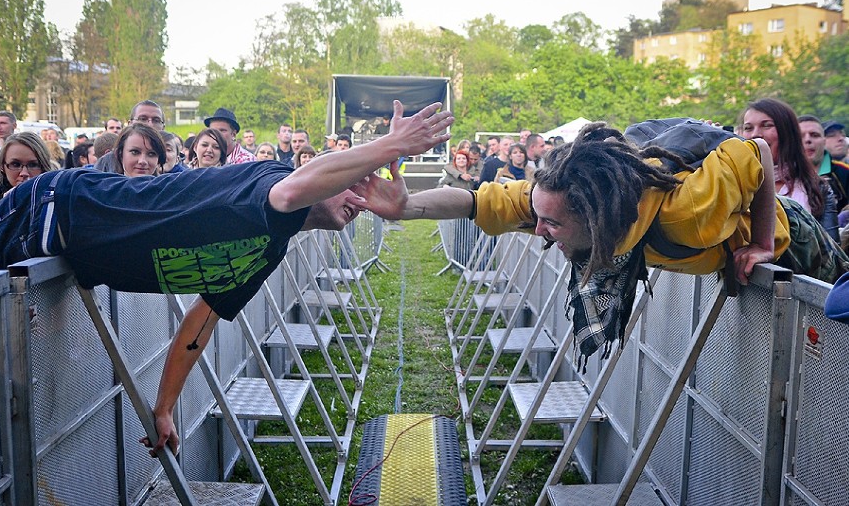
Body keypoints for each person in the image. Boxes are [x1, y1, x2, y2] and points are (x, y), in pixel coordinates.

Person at [0, 99, 452, 459]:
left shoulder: (271, 248)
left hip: (64, 241)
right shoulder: (271, 177)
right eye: (354, 185)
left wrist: (165, 406)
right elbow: (294, 189)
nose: (359, 201)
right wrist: (390, 146)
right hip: (52, 209)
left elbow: (200, 323)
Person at [358, 121, 849, 362]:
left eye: (551, 225)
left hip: (796, 243)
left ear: (595, 221)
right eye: (540, 218)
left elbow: (756, 149)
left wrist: (761, 242)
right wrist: (406, 207)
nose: (538, 230)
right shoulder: (560, 200)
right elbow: (473, 202)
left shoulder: (690, 214)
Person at [740, 99, 838, 240]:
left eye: (767, 125)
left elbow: (832, 253)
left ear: (788, 133)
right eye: (748, 128)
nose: (756, 134)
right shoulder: (733, 183)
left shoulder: (818, 189)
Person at [97, 100, 166, 173]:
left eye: (156, 120)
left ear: (163, 127)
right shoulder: (107, 165)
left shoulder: (174, 163)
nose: (150, 125)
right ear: (130, 123)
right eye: (143, 119)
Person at [799, 114, 849, 213]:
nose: (808, 140)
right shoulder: (780, 176)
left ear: (824, 141)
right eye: (800, 136)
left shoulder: (844, 172)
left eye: (814, 135)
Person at [0, 132, 55, 200]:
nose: (24, 173)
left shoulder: (58, 198)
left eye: (33, 165)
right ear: (2, 167)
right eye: (15, 164)